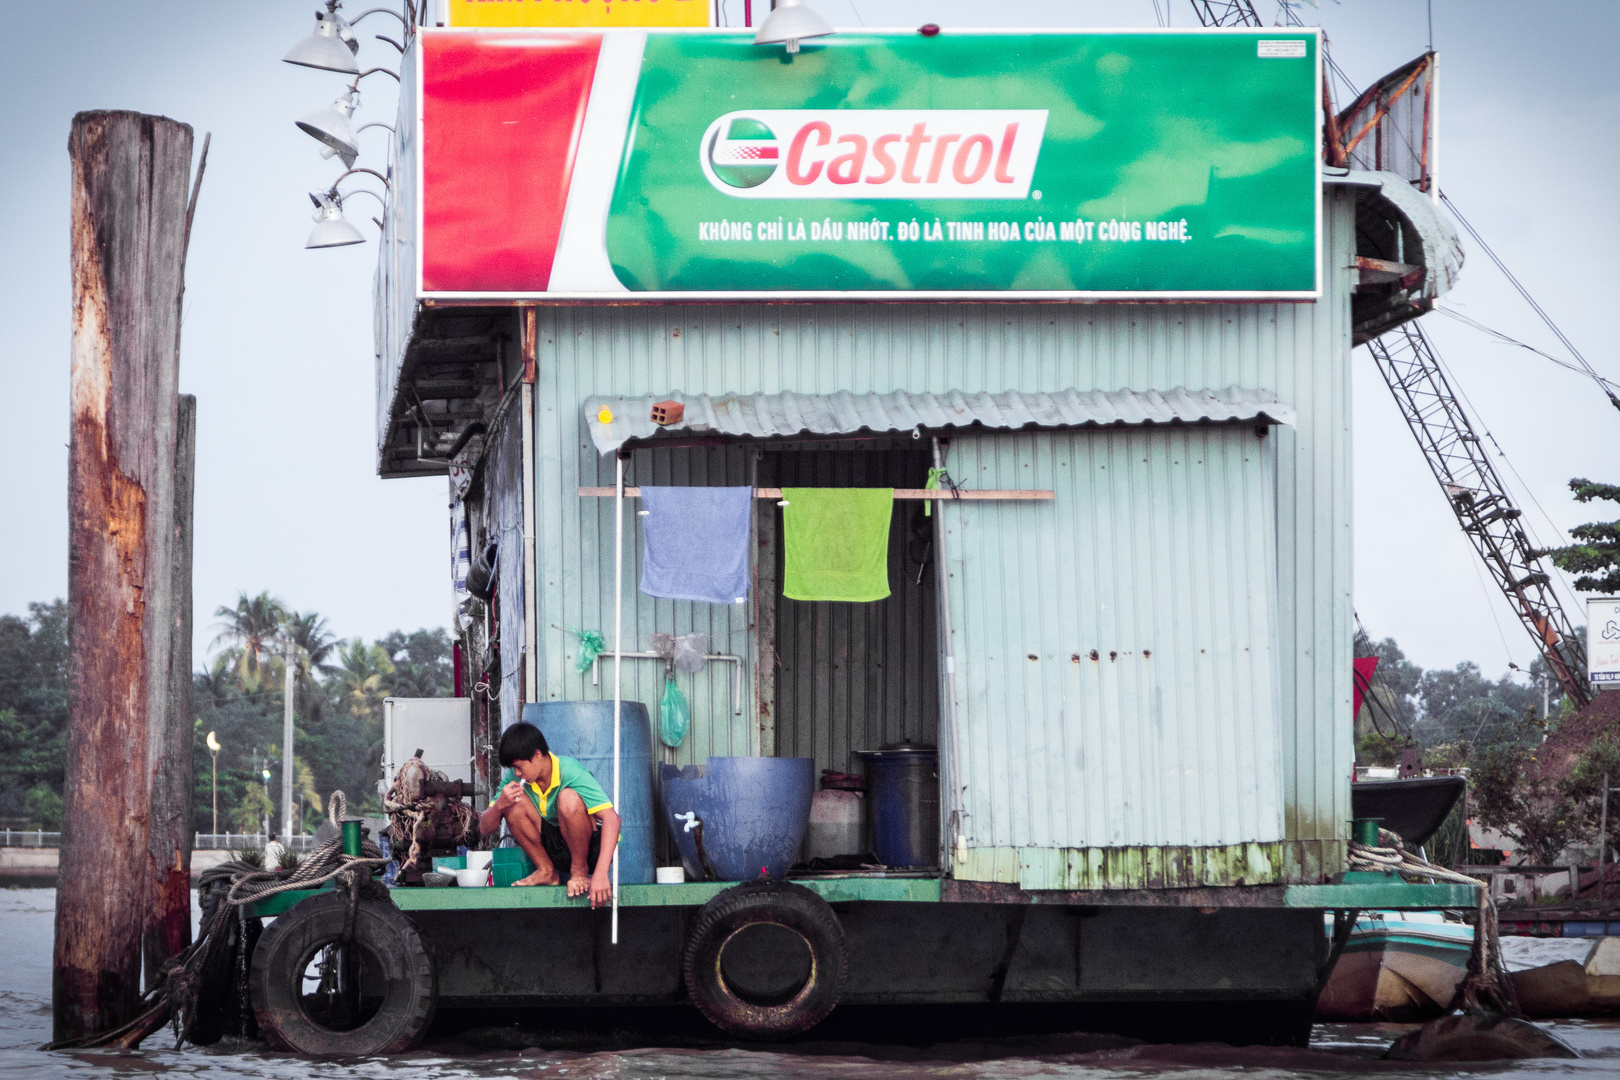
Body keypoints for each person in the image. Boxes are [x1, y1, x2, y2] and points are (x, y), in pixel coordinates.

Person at [479, 721, 621, 907]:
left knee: (568, 797)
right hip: (554, 848)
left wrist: (601, 874)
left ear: (537, 755)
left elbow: (612, 818)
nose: (517, 773)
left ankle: (579, 872)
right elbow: (484, 828)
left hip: (589, 850)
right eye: (514, 769)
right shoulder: (516, 777)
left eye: (519, 766)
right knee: (512, 805)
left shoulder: (569, 770)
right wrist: (499, 806)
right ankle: (546, 871)